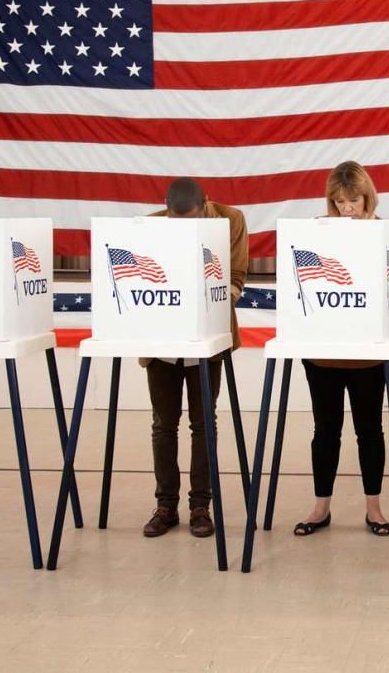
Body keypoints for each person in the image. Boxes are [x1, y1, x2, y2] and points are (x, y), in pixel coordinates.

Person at [293, 162, 389, 537]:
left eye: (354, 200)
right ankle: (320, 508)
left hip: (367, 355)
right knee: (325, 429)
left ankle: (374, 508)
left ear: (368, 197)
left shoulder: (384, 233)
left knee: (369, 430)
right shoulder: (317, 232)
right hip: (323, 354)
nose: (347, 208)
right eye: (340, 201)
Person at [141, 179, 249, 539]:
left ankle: (201, 505)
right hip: (163, 341)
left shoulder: (231, 220)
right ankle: (165, 505)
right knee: (163, 424)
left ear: (205, 204)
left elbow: (236, 277)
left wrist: (212, 303)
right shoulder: (149, 225)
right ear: (166, 208)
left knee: (204, 423)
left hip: (207, 338)